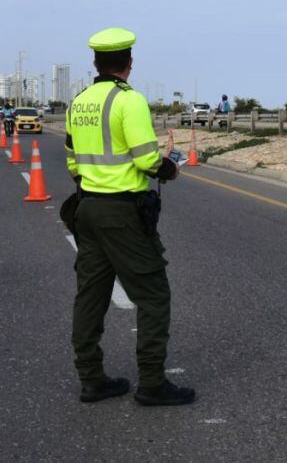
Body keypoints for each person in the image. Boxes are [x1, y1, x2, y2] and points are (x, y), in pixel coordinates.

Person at [65, 27, 193, 406]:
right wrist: (169, 169)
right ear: (129, 63)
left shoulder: (79, 101)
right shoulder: (130, 101)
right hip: (121, 212)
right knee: (153, 295)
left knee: (90, 296)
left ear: (95, 63)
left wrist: (94, 180)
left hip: (86, 207)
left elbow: (73, 159)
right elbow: (145, 158)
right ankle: (152, 383)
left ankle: (92, 379)